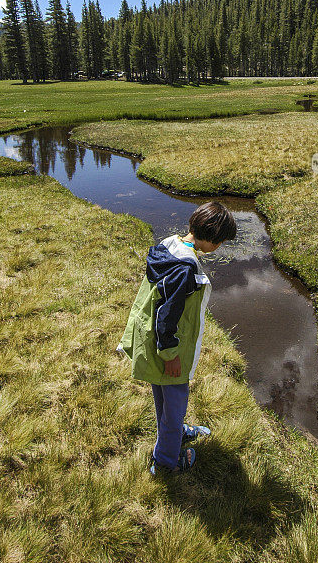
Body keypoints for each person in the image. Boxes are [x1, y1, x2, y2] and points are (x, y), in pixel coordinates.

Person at [119, 201, 237, 475]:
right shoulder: (186, 269)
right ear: (210, 237)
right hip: (168, 351)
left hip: (152, 343)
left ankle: (174, 434)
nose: (218, 248)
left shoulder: (170, 244)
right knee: (174, 406)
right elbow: (167, 316)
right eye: (219, 242)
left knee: (162, 396)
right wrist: (170, 355)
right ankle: (166, 462)